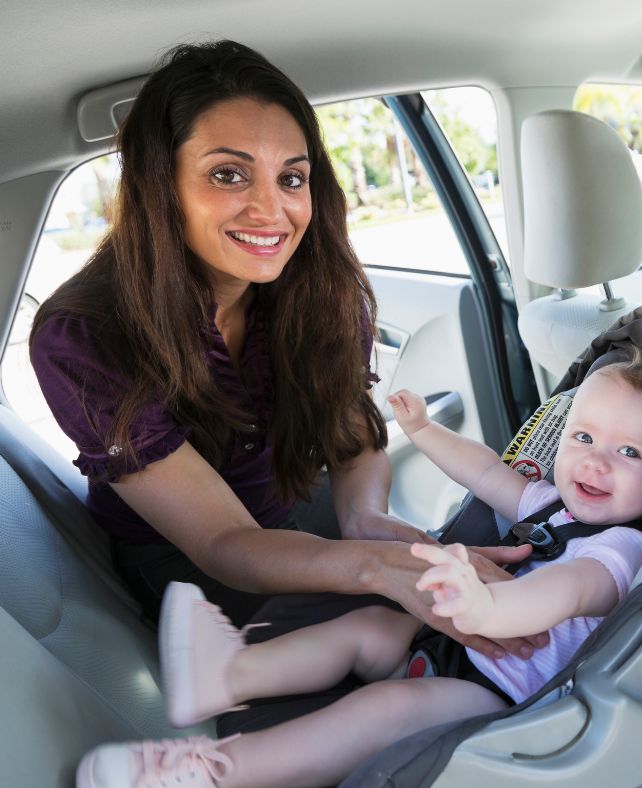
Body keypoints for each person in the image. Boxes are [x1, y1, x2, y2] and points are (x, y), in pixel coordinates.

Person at [27, 39, 529, 656]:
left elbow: (352, 443)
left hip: (295, 516)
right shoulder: (83, 336)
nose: (272, 210)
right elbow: (222, 542)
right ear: (161, 185)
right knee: (416, 639)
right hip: (190, 565)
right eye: (228, 174)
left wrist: (367, 521)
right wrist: (375, 569)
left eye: (291, 177)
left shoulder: (323, 293)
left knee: (500, 582)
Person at [76, 360, 642, 787]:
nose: (595, 461)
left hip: (512, 697)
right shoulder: (554, 504)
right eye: (584, 437)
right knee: (372, 626)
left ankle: (216, 769)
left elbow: (567, 590)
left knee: (393, 707)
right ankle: (231, 671)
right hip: (457, 643)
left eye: (629, 452)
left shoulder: (626, 548)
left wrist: (486, 611)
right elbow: (487, 475)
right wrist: (425, 432)